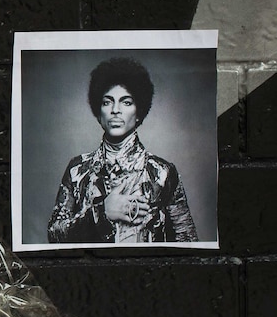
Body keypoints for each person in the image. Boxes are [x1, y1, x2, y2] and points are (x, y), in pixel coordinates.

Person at [47, 57, 198, 243]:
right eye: (107, 102)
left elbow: (187, 242)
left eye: (126, 102)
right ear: (98, 111)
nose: (115, 110)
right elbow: (54, 235)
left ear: (139, 112)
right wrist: (102, 212)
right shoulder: (77, 169)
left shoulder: (163, 173)